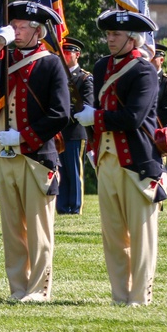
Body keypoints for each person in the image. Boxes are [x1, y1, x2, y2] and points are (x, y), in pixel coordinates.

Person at [0, 0, 69, 302]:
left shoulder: (51, 62)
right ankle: (18, 287)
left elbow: (60, 113)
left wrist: (24, 137)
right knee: (12, 228)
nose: (15, 29)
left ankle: (39, 289)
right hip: (5, 156)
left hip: (36, 156)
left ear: (38, 31)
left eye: (20, 26)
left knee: (39, 229)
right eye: (12, 25)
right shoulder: (4, 58)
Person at [75, 9, 166, 306]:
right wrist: (92, 144)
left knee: (141, 236)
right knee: (113, 236)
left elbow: (134, 117)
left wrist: (96, 118)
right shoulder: (102, 67)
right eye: (108, 34)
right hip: (106, 159)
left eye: (116, 35)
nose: (110, 39)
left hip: (136, 161)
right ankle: (119, 296)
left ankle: (139, 296)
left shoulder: (144, 70)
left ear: (132, 38)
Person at [58, 36, 93, 215]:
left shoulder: (85, 78)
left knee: (74, 171)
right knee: (61, 172)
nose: (63, 55)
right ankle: (63, 207)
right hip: (59, 132)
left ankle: (76, 206)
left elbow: (86, 104)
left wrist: (63, 117)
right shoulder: (58, 75)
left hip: (75, 131)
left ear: (77, 54)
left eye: (67, 51)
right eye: (62, 51)